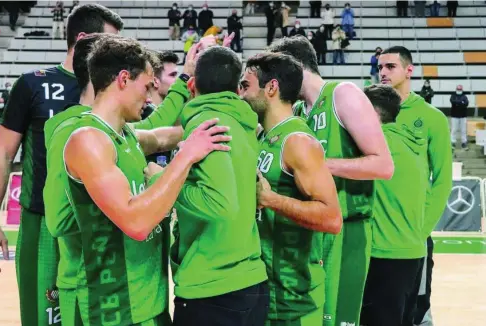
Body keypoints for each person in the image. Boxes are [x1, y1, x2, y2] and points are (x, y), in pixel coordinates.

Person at [52, 35, 231, 325]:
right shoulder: (88, 140)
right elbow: (136, 223)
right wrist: (185, 157)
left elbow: (162, 136)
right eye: (147, 86)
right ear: (123, 79)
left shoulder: (126, 135)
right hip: (113, 308)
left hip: (150, 302)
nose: (150, 97)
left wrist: (229, 122)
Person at [0, 4, 124, 326]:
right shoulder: (32, 85)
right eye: (108, 44)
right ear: (84, 39)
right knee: (42, 318)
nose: (115, 55)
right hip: (41, 224)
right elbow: (2, 154)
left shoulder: (114, 92)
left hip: (97, 226)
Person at [268, 35, 394, 326]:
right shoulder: (297, 112)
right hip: (312, 232)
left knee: (339, 320)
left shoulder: (343, 93)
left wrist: (320, 166)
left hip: (347, 231)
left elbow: (383, 164)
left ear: (296, 67)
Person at [240, 51, 342, 325]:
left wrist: (271, 200)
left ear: (271, 87)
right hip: (265, 293)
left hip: (294, 300)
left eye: (245, 86)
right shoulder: (263, 137)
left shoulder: (297, 141)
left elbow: (332, 218)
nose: (240, 95)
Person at [169, 46, 269, 325]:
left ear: (191, 84)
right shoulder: (245, 122)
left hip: (212, 286)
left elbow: (219, 203)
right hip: (250, 278)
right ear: (237, 88)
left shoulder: (206, 121)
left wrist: (163, 181)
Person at [378, 45, 452, 326]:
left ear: (409, 70)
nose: (382, 72)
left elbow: (442, 179)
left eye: (390, 67)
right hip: (375, 238)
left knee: (416, 312)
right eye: (380, 67)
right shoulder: (367, 112)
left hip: (412, 237)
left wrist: (419, 230)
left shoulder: (431, 117)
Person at [360, 84, 428, 326]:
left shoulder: (377, 148)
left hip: (384, 254)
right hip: (413, 252)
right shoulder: (412, 144)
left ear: (370, 113)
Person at [450, 84, 469, 149]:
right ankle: (452, 142)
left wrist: (457, 103)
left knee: (463, 130)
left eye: (460, 89)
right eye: (458, 89)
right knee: (454, 129)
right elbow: (453, 102)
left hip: (463, 116)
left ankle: (464, 142)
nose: (459, 90)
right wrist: (461, 102)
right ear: (456, 89)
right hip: (454, 116)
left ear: (462, 90)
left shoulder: (464, 96)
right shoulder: (453, 96)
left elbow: (466, 103)